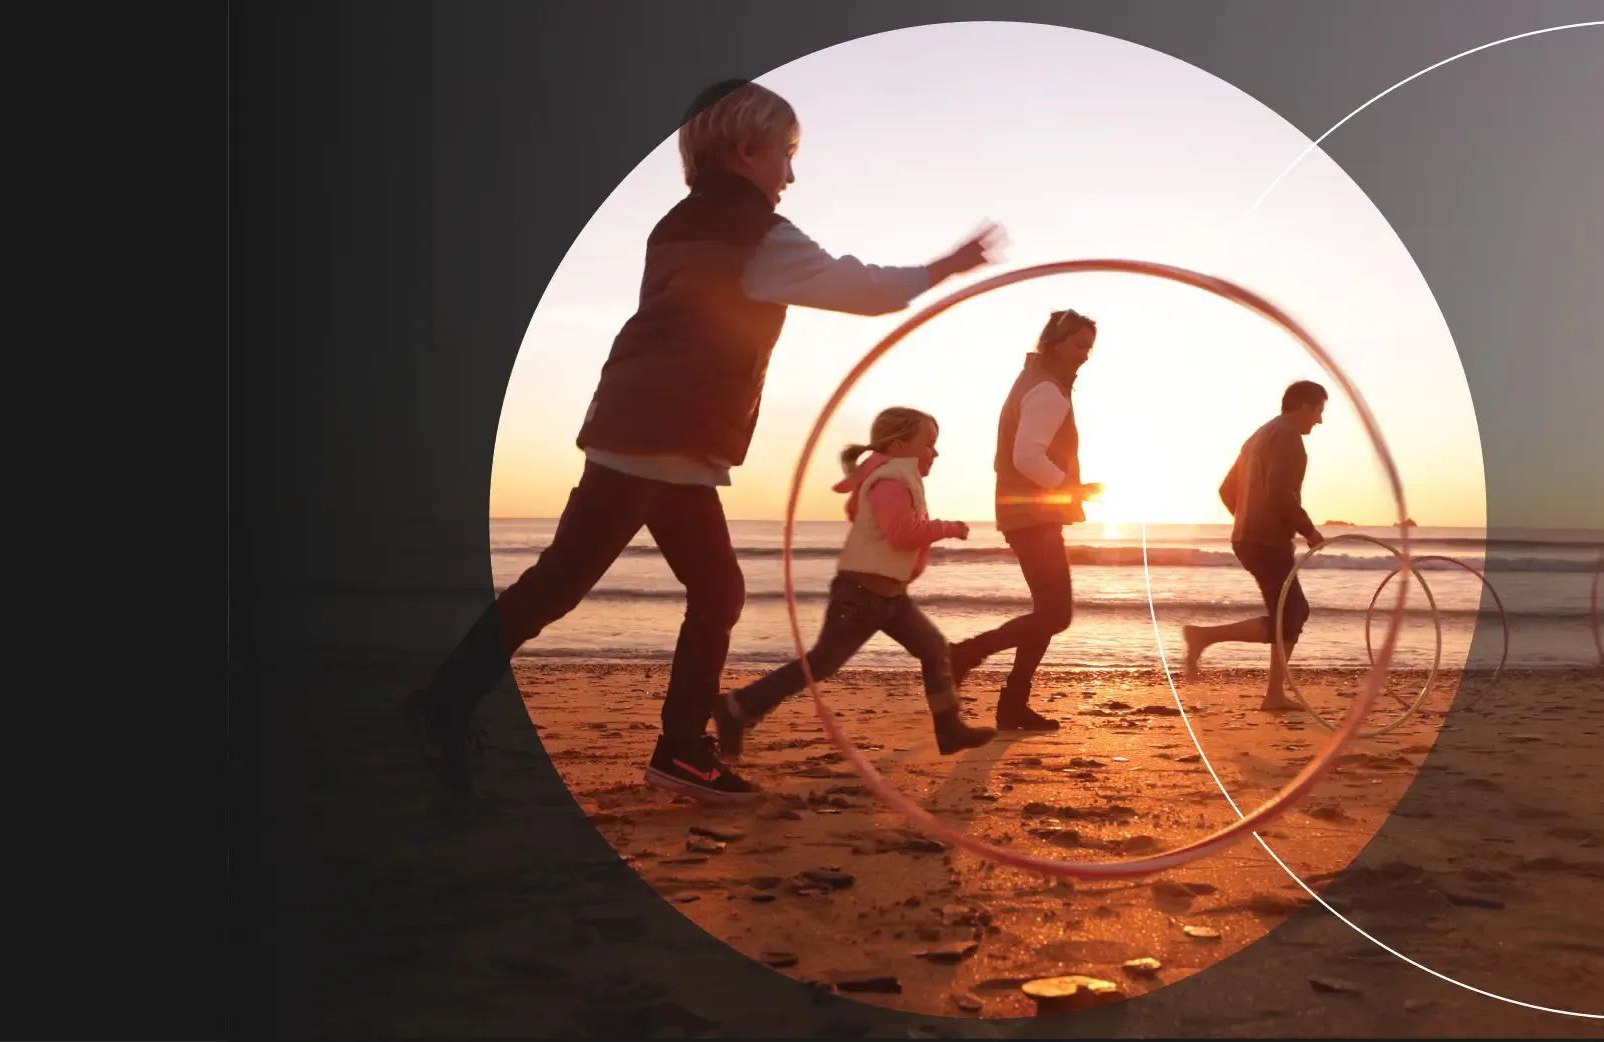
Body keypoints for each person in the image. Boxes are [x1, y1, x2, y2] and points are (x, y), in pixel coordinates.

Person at [402, 78, 1004, 802]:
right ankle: (664, 747)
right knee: (635, 589)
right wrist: (951, 264)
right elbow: (864, 290)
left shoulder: (680, 222)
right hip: (665, 436)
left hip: (644, 428)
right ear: (745, 150)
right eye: (785, 154)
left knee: (664, 587)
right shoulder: (751, 229)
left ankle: (641, 741)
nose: (792, 173)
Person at [716, 407, 998, 758]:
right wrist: (949, 528)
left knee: (934, 649)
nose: (935, 453)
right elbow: (900, 533)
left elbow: (872, 522)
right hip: (862, 597)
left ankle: (950, 729)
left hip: (890, 597)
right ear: (898, 445)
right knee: (821, 664)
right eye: (928, 444)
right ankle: (737, 707)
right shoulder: (891, 481)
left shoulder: (893, 476)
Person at [943, 309, 1104, 732]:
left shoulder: (1032, 381)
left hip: (1026, 513)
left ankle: (1013, 705)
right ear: (1054, 344)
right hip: (1033, 514)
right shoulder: (1048, 391)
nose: (1085, 355)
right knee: (1056, 615)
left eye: (1089, 347)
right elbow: (1026, 456)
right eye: (1078, 345)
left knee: (1046, 612)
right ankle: (964, 655)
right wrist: (1071, 489)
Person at [1179, 380, 1332, 711]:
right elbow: (1280, 494)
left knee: (1291, 613)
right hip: (1266, 541)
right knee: (1290, 616)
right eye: (1319, 410)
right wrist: (1309, 530)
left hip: (1249, 538)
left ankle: (1274, 694)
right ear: (1303, 406)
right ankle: (1204, 637)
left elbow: (1225, 490)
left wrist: (1247, 519)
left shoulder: (1259, 436)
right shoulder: (1288, 438)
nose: (1319, 420)